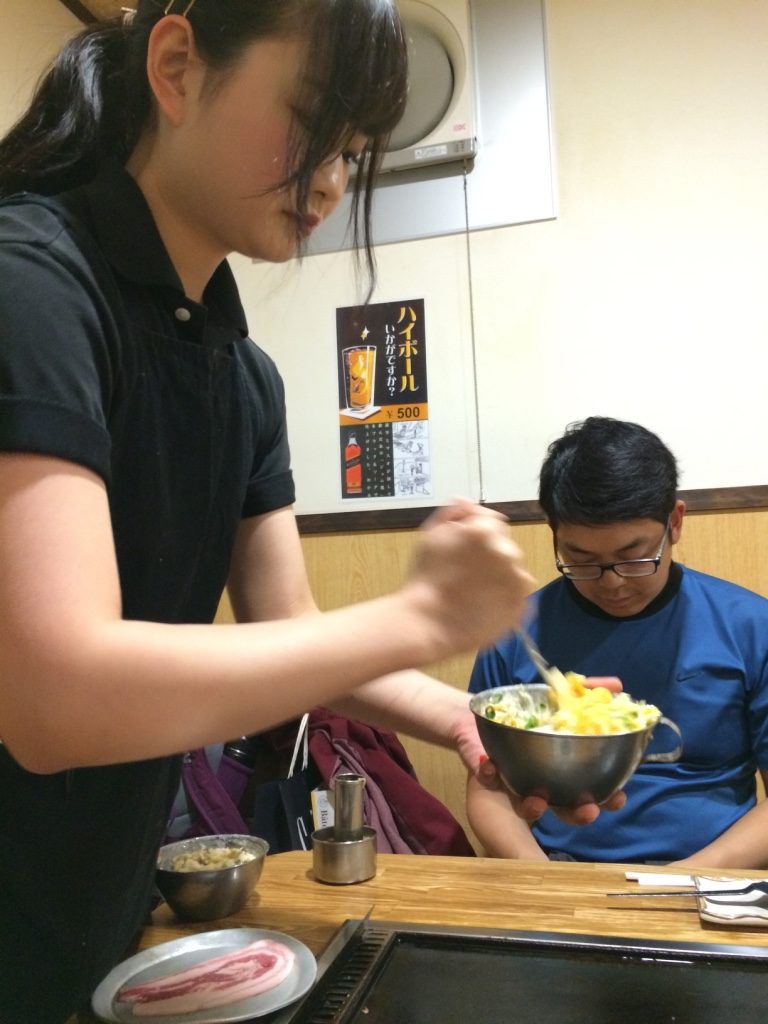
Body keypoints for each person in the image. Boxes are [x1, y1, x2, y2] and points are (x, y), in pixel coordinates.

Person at [0, 4, 541, 1021]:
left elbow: (293, 636)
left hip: (91, 909)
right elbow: (51, 699)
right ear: (176, 65)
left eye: (354, 150)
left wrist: (465, 719)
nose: (335, 180)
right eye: (314, 124)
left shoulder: (241, 376)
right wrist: (424, 615)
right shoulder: (30, 285)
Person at [467, 417, 768, 869]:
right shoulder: (516, 632)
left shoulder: (750, 625)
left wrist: (680, 882)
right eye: (581, 559)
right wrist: (543, 880)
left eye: (634, 557)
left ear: (676, 523)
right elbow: (488, 788)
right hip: (558, 870)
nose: (613, 583)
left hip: (713, 875)